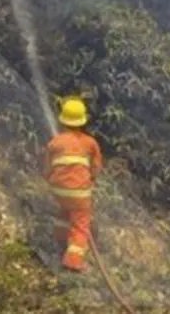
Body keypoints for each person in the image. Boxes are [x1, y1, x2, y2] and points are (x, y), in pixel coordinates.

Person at [43, 96, 103, 272]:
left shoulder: (55, 142)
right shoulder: (90, 143)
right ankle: (73, 261)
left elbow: (47, 168)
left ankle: (61, 242)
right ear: (82, 121)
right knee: (81, 223)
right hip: (79, 193)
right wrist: (91, 180)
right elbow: (96, 168)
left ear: (63, 120)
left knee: (64, 212)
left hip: (58, 190)